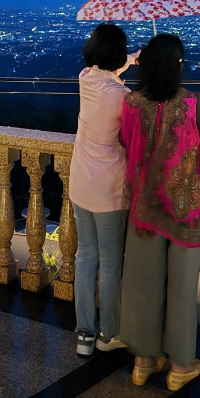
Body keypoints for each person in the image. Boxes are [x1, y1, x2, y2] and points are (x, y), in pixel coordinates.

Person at [119, 34, 200, 390]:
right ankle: (180, 366)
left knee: (142, 286)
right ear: (178, 67)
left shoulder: (131, 104)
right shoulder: (194, 103)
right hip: (185, 211)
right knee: (180, 289)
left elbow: (126, 145)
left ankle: (143, 362)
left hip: (145, 206)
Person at [69, 22, 138, 357]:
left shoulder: (86, 79)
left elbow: (107, 73)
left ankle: (84, 333)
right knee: (111, 263)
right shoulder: (124, 99)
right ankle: (108, 334)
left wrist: (130, 61)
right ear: (118, 54)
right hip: (109, 190)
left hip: (81, 183)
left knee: (86, 258)